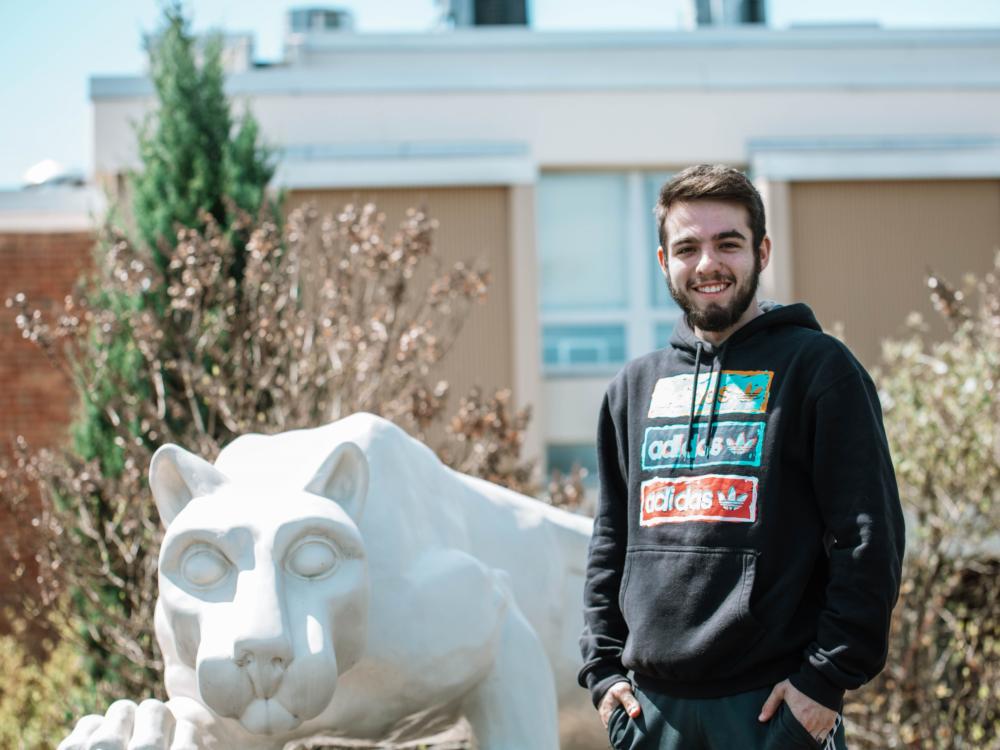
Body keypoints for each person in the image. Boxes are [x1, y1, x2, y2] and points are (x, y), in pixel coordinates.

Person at [578, 164, 905, 750]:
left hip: (770, 709)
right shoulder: (633, 388)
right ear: (663, 262)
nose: (708, 264)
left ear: (762, 251)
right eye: (688, 247)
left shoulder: (819, 371)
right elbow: (610, 545)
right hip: (652, 712)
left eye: (727, 243)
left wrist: (823, 682)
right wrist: (603, 674)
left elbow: (867, 538)